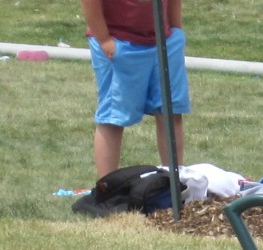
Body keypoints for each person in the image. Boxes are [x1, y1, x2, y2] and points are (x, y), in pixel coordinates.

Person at [80, 0, 191, 179]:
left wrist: (176, 31)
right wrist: (104, 40)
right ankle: (107, 189)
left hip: (165, 41)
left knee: (170, 112)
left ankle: (174, 184)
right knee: (113, 118)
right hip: (119, 44)